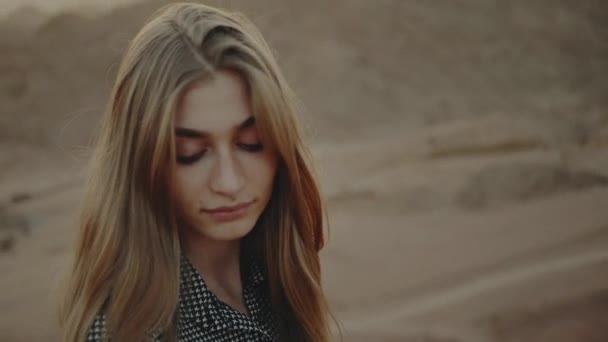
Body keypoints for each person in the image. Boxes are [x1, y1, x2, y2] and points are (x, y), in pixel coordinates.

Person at [59, 2, 335, 341]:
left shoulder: (273, 278)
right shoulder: (130, 332)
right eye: (189, 154)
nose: (228, 182)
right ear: (143, 162)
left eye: (252, 142)